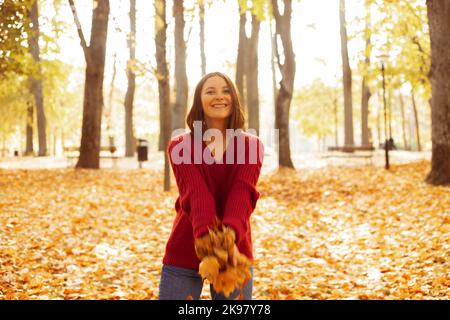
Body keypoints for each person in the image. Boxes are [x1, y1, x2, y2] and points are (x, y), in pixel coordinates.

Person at [158, 72, 264, 300]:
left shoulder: (252, 146)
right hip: (186, 246)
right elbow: (197, 196)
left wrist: (228, 245)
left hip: (236, 250)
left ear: (234, 98)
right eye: (210, 91)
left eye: (226, 90)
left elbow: (242, 194)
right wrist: (215, 244)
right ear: (199, 101)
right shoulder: (181, 145)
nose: (219, 96)